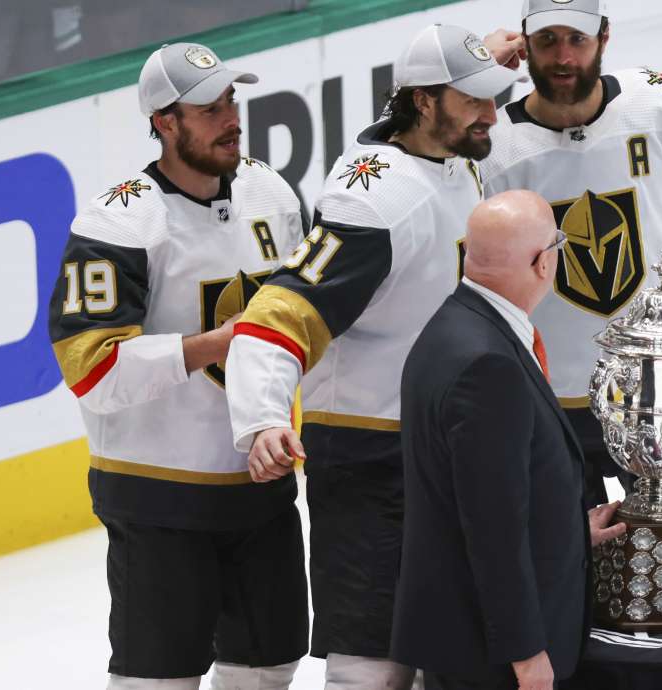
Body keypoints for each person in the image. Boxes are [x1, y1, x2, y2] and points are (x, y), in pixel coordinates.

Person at [225, 24, 525, 690]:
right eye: (473, 99)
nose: (492, 115)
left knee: (441, 654)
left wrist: (479, 72)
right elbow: (278, 315)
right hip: (372, 466)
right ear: (423, 102)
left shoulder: (443, 153)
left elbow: (415, 137)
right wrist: (261, 416)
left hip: (438, 454)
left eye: (493, 97)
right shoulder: (379, 203)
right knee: (372, 666)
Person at [47, 42, 308, 690]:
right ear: (165, 122)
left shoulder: (267, 192)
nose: (230, 118)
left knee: (270, 667)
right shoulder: (121, 218)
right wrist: (211, 346)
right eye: (208, 108)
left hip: (260, 488)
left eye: (230, 101)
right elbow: (91, 368)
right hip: (158, 501)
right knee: (157, 684)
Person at [481, 0, 662, 552]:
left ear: (604, 38)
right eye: (547, 40)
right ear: (523, 44)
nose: (563, 56)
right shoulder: (488, 145)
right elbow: (399, 159)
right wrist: (478, 70)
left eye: (577, 40)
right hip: (547, 403)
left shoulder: (661, 107)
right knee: (567, 581)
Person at [393, 191, 626, 690]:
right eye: (558, 245)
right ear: (543, 262)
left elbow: (483, 497)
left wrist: (566, 530)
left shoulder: (452, 328)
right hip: (489, 657)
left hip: (467, 638)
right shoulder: (488, 365)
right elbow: (491, 529)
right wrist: (525, 654)